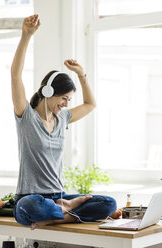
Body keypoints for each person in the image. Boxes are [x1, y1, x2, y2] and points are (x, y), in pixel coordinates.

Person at [11, 14, 116, 230]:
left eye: (69, 100)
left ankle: (57, 213)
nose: (66, 105)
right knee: (28, 208)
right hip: (31, 197)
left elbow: (90, 104)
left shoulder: (62, 119)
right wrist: (26, 35)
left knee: (109, 204)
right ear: (48, 91)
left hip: (59, 195)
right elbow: (15, 75)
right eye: (64, 98)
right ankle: (65, 211)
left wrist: (81, 74)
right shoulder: (26, 115)